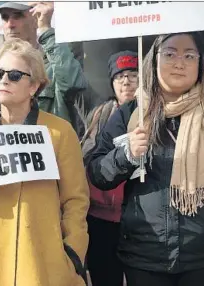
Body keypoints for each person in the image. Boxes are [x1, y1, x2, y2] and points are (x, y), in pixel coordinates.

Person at [0, 38, 89, 286]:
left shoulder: (59, 132)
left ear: (34, 86)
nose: (3, 80)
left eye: (13, 75)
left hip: (45, 268)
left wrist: (72, 256)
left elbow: (76, 200)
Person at [87, 32, 204, 286]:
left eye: (189, 55)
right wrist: (126, 153)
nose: (179, 63)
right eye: (170, 54)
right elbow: (97, 173)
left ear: (200, 63)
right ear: (153, 61)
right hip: (144, 255)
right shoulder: (130, 114)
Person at [81, 51, 138, 286]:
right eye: (120, 76)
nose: (126, 82)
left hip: (137, 218)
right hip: (99, 217)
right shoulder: (98, 115)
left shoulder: (156, 114)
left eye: (133, 75)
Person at [0, 1, 88, 131]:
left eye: (18, 16)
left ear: (35, 17)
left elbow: (72, 83)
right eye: (5, 17)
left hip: (51, 146)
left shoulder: (55, 62)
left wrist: (45, 29)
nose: (10, 24)